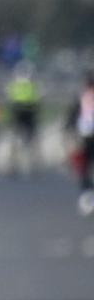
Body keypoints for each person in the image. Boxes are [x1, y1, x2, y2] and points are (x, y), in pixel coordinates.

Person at [5, 64, 40, 177]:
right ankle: (26, 166)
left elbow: (10, 101)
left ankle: (18, 166)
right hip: (25, 115)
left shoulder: (16, 85)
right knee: (25, 142)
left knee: (20, 143)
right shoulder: (30, 85)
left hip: (22, 115)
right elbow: (36, 102)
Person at [67, 72, 94, 216]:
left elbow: (72, 116)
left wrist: (68, 128)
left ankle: (88, 196)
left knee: (84, 169)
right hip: (86, 137)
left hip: (86, 137)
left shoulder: (82, 98)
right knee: (84, 168)